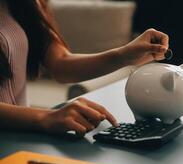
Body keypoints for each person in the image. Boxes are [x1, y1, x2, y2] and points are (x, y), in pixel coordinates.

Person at [0, 0, 169, 135]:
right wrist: (45, 117)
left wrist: (125, 55)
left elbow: (60, 64)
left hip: (22, 137)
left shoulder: (24, 3)